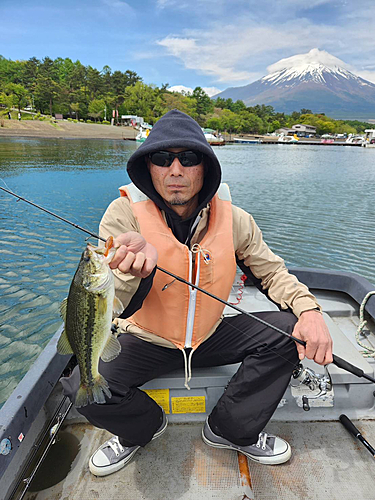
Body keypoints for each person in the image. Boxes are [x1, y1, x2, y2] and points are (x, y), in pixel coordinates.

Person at [61, 109, 333, 477]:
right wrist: (134, 271)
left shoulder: (235, 219)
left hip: (210, 334)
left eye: (188, 159)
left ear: (204, 167)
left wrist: (310, 311)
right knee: (81, 384)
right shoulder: (123, 214)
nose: (175, 170)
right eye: (161, 158)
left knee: (288, 331)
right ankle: (140, 429)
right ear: (148, 167)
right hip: (145, 338)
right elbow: (110, 305)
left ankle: (230, 428)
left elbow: (272, 273)